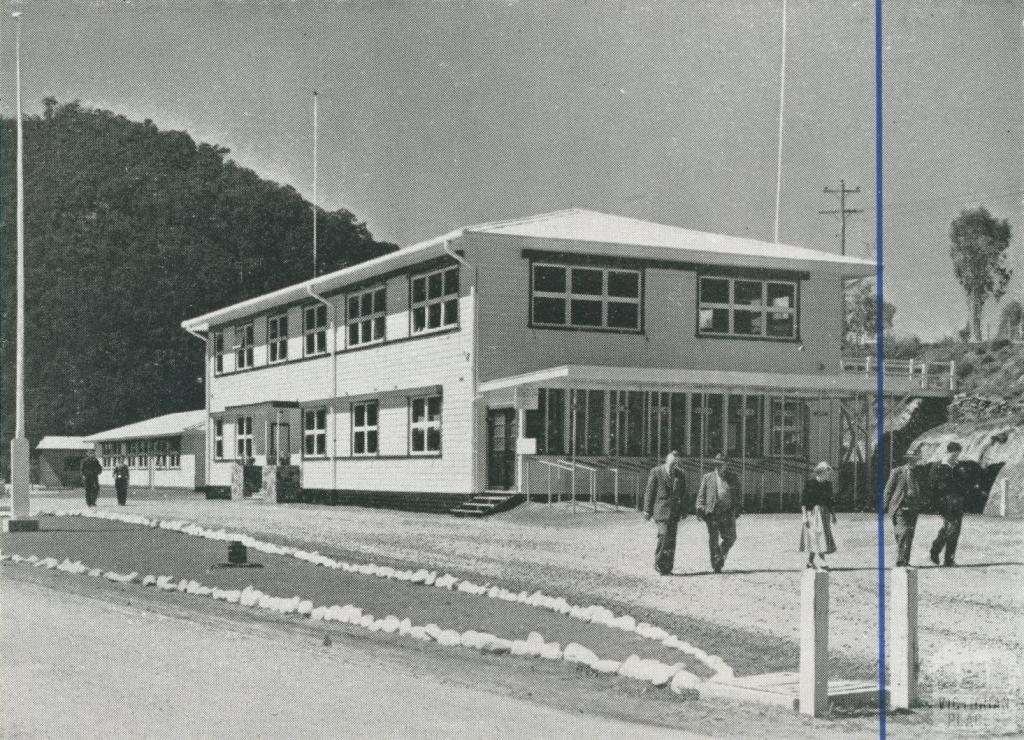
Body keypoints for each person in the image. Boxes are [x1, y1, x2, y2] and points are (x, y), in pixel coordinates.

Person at [643, 451, 687, 575]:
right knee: (664, 535)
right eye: (672, 463)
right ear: (667, 461)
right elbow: (649, 491)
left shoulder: (680, 474)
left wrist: (684, 509)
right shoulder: (656, 472)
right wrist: (647, 510)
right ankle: (658, 562)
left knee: (672, 539)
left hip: (674, 511)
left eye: (676, 463)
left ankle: (667, 567)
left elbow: (684, 493)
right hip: (660, 510)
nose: (674, 465)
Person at [696, 453, 741, 573]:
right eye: (717, 464)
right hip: (713, 513)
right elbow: (701, 495)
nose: (719, 467)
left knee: (731, 537)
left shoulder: (733, 477)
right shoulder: (708, 477)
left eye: (722, 464)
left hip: (728, 513)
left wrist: (737, 508)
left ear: (726, 465)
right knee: (714, 539)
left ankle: (721, 554)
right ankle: (716, 564)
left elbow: (738, 495)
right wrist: (700, 508)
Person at [929, 441, 967, 567]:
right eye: (953, 455)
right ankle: (937, 551)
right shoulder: (938, 466)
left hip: (957, 503)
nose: (955, 458)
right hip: (944, 503)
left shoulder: (959, 466)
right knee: (952, 528)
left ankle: (947, 558)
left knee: (954, 530)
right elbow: (932, 486)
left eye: (957, 456)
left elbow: (964, 485)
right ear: (948, 452)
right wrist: (935, 504)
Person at [883, 449, 923, 567]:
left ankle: (905, 560)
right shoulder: (897, 472)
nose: (913, 462)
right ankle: (901, 560)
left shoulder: (919, 473)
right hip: (900, 507)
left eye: (915, 459)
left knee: (910, 534)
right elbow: (888, 490)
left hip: (913, 507)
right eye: (911, 459)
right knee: (902, 533)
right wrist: (885, 506)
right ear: (907, 460)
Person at [800, 461, 837, 570]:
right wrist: (804, 516)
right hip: (813, 514)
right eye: (826, 472)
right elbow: (804, 501)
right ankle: (822, 560)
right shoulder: (810, 483)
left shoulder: (828, 485)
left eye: (829, 473)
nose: (828, 474)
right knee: (816, 536)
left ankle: (810, 561)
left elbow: (830, 501)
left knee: (821, 537)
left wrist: (833, 515)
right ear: (820, 472)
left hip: (824, 513)